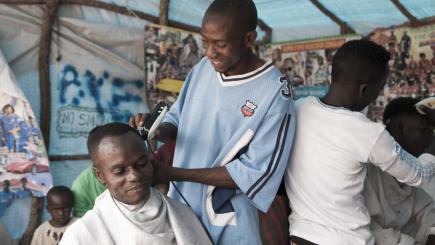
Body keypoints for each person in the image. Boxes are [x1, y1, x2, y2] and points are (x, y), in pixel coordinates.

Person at [130, 0, 296, 244]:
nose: (209, 52)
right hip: (182, 210)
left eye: (221, 44)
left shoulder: (275, 93)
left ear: (249, 39)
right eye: (205, 41)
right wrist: (154, 128)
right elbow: (179, 123)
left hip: (228, 221)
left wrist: (173, 173)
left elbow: (255, 173)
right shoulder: (202, 70)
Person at [285, 39, 435, 245]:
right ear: (364, 90)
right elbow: (420, 176)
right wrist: (430, 155)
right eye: (379, 89)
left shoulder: (299, 108)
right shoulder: (368, 133)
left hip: (300, 238)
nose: (378, 95)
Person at [60, 123, 211, 245]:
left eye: (142, 163)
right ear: (100, 175)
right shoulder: (82, 236)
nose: (134, 176)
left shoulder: (183, 214)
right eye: (119, 171)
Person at [363, 97, 435, 245]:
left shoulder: (414, 175)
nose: (429, 138)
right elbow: (367, 231)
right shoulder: (366, 172)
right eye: (424, 130)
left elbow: (427, 214)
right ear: (399, 128)